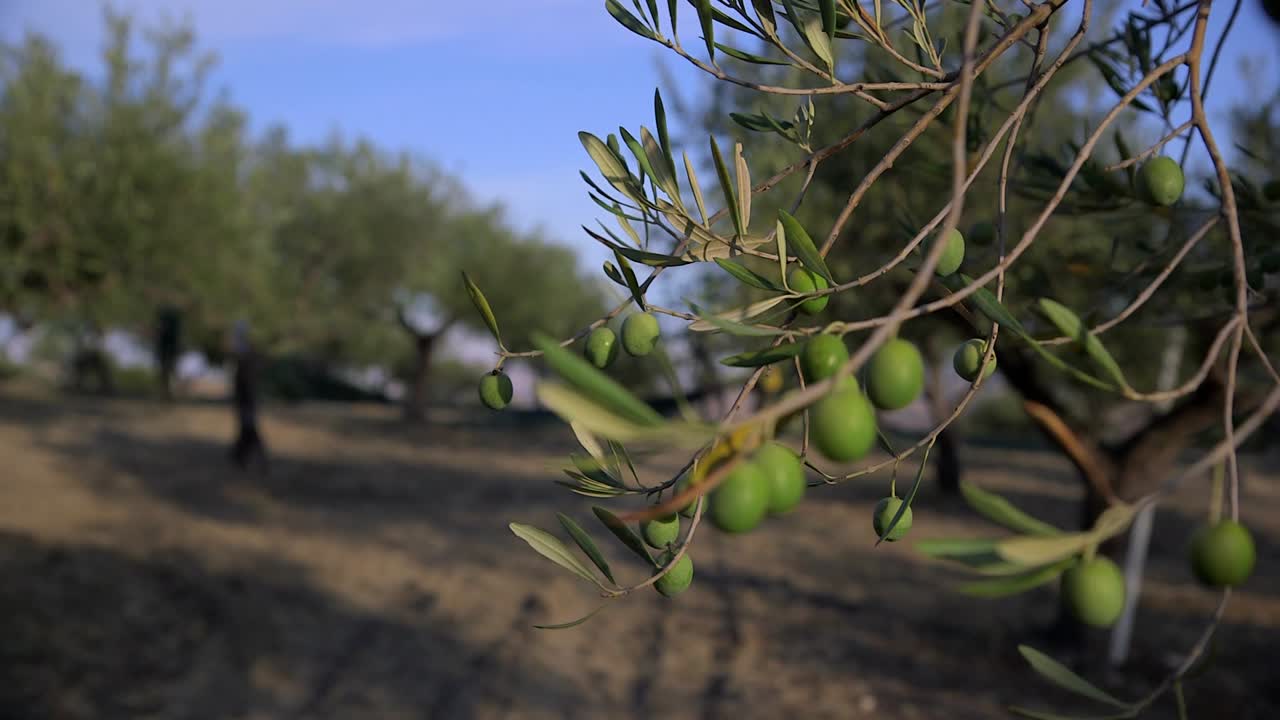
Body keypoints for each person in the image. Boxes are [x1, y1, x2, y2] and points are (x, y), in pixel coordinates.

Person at [229, 320, 269, 473]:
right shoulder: (247, 354)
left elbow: (247, 380)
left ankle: (252, 457)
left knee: (249, 428)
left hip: (247, 396)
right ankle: (240, 456)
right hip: (246, 396)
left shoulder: (246, 354)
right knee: (247, 427)